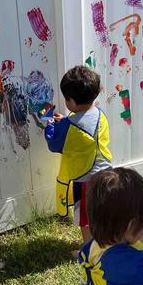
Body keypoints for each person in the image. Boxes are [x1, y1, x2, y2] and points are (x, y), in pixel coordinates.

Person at [45, 65, 112, 244]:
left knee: (86, 220)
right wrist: (65, 121)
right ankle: (104, 243)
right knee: (101, 214)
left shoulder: (69, 127)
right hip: (106, 174)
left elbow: (54, 143)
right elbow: (83, 124)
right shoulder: (100, 114)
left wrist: (51, 124)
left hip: (85, 180)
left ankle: (88, 250)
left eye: (67, 100)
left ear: (72, 102)